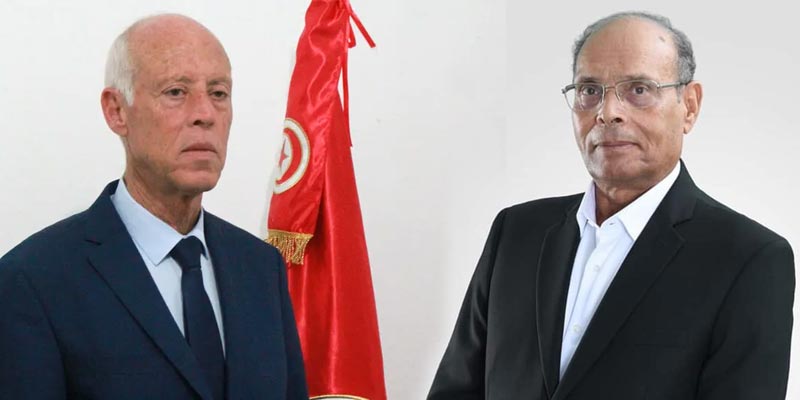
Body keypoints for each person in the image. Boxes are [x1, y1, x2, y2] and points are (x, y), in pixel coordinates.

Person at [428, 11, 794, 400]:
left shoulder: (748, 259)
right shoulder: (516, 232)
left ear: (689, 106)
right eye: (589, 90)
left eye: (639, 89)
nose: (607, 112)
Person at [0, 14, 308, 400]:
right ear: (117, 111)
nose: (205, 114)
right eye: (176, 92)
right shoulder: (32, 281)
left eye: (218, 93)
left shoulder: (261, 267)